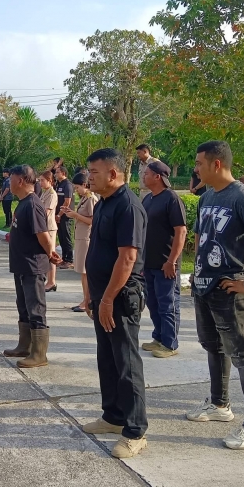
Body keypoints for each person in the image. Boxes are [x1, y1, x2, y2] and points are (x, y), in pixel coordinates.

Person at [186, 141, 244, 450]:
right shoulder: (208, 196)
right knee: (214, 347)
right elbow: (201, 235)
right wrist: (196, 272)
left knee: (243, 356)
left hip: (230, 291)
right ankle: (219, 404)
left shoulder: (243, 197)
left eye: (199, 164)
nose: (195, 169)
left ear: (216, 164)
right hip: (205, 286)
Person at [80, 148, 148, 459]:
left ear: (112, 173)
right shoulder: (104, 203)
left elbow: (128, 258)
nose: (89, 177)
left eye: (94, 172)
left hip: (120, 296)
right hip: (102, 295)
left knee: (126, 363)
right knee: (107, 358)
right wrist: (92, 295)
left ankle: (135, 431)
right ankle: (113, 416)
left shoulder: (128, 206)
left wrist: (107, 299)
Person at [3, 164, 62, 368]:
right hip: (21, 264)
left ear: (20, 181)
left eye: (11, 179)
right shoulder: (23, 203)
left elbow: (43, 235)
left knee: (35, 307)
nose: (8, 183)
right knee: (23, 306)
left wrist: (50, 253)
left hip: (32, 265)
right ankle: (24, 345)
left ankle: (39, 354)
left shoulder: (33, 204)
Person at [141, 161, 187, 358]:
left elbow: (181, 231)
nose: (143, 176)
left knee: (168, 304)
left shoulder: (172, 199)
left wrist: (171, 261)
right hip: (148, 262)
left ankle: (170, 344)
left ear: (157, 177)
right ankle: (158, 337)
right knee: (153, 303)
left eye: (146, 173)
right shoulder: (148, 199)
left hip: (166, 263)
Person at [60, 172, 98, 313]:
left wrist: (75, 215)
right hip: (81, 237)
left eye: (77, 187)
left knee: (86, 272)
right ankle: (85, 299)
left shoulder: (91, 199)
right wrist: (70, 212)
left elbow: (93, 220)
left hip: (86, 238)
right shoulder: (84, 198)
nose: (76, 191)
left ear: (84, 184)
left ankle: (87, 301)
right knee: (83, 272)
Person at [38, 171, 59, 292]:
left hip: (49, 227)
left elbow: (46, 212)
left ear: (50, 181)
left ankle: (52, 281)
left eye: (42, 180)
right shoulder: (45, 192)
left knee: (50, 254)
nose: (40, 183)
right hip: (44, 227)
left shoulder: (52, 194)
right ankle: (48, 280)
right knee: (45, 254)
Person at [55, 166, 75, 270]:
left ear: (63, 173)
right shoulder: (59, 184)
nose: (55, 174)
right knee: (61, 238)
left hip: (66, 216)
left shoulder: (67, 185)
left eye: (57, 172)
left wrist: (59, 214)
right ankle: (64, 258)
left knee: (67, 237)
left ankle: (69, 260)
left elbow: (67, 202)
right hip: (59, 215)